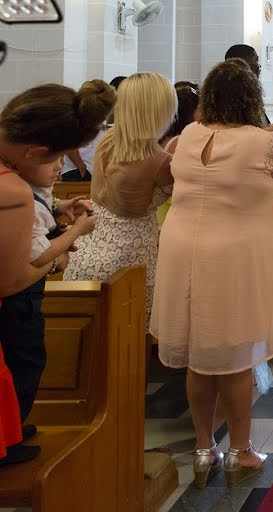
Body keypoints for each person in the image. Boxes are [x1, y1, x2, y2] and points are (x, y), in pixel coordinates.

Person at [151, 59, 273, 488]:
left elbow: (177, 177)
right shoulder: (261, 142)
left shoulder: (187, 135)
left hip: (183, 248)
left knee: (199, 356)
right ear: (250, 99)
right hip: (231, 257)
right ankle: (240, 452)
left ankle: (204, 449)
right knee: (235, 357)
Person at [0, 79, 114, 465]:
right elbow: (13, 278)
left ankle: (11, 427)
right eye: (58, 158)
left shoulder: (17, 178)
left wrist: (59, 206)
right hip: (13, 304)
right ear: (33, 151)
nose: (60, 167)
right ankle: (7, 442)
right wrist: (60, 255)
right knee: (24, 364)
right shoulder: (12, 190)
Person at [64, 72, 177, 334]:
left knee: (96, 342)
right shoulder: (159, 160)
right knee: (130, 344)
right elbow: (185, 197)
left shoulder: (106, 143)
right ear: (158, 111)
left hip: (90, 247)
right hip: (130, 258)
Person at [156, 84, 201, 226]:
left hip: (161, 212)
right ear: (191, 112)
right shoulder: (180, 142)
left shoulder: (163, 137)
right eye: (200, 109)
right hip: (171, 214)